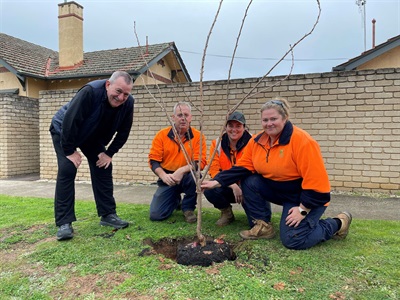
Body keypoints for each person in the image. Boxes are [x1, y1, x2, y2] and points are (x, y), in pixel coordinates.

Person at [201, 98, 352, 250]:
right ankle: (263, 226)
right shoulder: (257, 141)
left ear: (285, 118)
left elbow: (318, 182)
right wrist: (217, 181)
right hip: (279, 191)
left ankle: (338, 223)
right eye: (265, 120)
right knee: (249, 180)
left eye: (274, 119)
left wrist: (302, 209)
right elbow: (242, 167)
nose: (269, 123)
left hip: (304, 197)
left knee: (293, 240)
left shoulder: (302, 141)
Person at [49, 70, 134, 241]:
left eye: (126, 93)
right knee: (67, 169)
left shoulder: (128, 103)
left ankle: (108, 215)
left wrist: (109, 154)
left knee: (103, 166)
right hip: (64, 130)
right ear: (108, 85)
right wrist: (69, 151)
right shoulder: (90, 92)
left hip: (91, 135)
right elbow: (70, 121)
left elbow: (124, 132)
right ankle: (64, 223)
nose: (121, 97)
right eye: (118, 91)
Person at [148, 102, 207, 223]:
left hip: (187, 174)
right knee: (156, 215)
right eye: (180, 115)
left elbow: (200, 162)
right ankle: (175, 200)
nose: (183, 118)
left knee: (195, 176)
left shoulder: (198, 137)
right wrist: (163, 176)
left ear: (191, 117)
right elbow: (153, 160)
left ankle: (188, 209)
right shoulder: (161, 135)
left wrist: (181, 170)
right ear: (173, 117)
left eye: (186, 115)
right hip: (168, 177)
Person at [204, 111, 252, 226]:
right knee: (210, 189)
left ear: (244, 128)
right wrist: (233, 184)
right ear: (225, 127)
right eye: (230, 126)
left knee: (255, 223)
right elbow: (214, 170)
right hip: (226, 185)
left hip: (248, 186)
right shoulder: (217, 144)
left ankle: (256, 213)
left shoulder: (253, 142)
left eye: (238, 126)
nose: (234, 129)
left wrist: (241, 186)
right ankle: (227, 214)